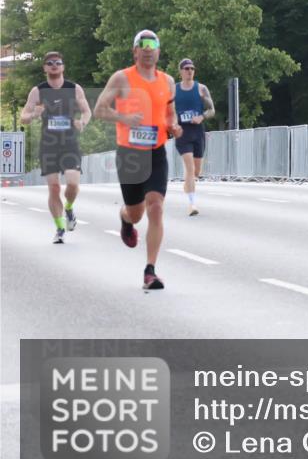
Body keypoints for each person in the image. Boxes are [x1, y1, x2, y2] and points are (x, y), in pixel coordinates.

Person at [94, 30, 183, 290]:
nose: (147, 49)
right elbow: (100, 109)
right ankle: (124, 218)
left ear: (158, 51)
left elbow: (170, 114)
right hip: (130, 153)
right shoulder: (122, 78)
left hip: (156, 151)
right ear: (135, 51)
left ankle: (150, 271)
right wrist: (123, 118)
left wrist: (174, 126)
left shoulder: (167, 82)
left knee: (156, 206)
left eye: (152, 44)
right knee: (136, 213)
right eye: (142, 44)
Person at [20, 51, 92, 243]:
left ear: (63, 67)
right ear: (44, 67)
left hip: (69, 143)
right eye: (50, 63)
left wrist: (82, 122)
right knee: (53, 188)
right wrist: (34, 114)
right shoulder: (38, 91)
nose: (54, 65)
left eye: (58, 62)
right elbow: (23, 118)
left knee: (72, 184)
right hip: (48, 145)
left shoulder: (74, 88)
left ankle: (68, 207)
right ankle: (60, 228)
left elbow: (86, 111)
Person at [174, 58, 215, 215]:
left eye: (192, 68)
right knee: (190, 169)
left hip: (198, 132)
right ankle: (192, 204)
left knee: (196, 171)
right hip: (182, 133)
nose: (190, 70)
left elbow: (212, 110)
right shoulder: (173, 90)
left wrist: (202, 117)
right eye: (186, 68)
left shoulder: (201, 89)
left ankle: (188, 184)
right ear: (181, 71)